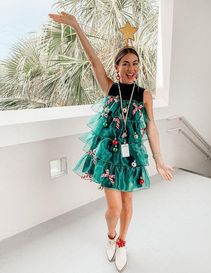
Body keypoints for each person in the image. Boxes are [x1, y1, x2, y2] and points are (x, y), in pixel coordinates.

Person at [49, 11, 174, 272]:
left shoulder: (144, 95)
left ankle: (123, 243)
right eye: (125, 63)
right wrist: (76, 25)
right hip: (110, 155)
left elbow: (151, 127)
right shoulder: (110, 88)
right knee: (114, 209)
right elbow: (92, 58)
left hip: (132, 156)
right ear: (117, 68)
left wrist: (159, 160)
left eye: (135, 63)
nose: (131, 68)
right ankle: (110, 236)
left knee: (128, 203)